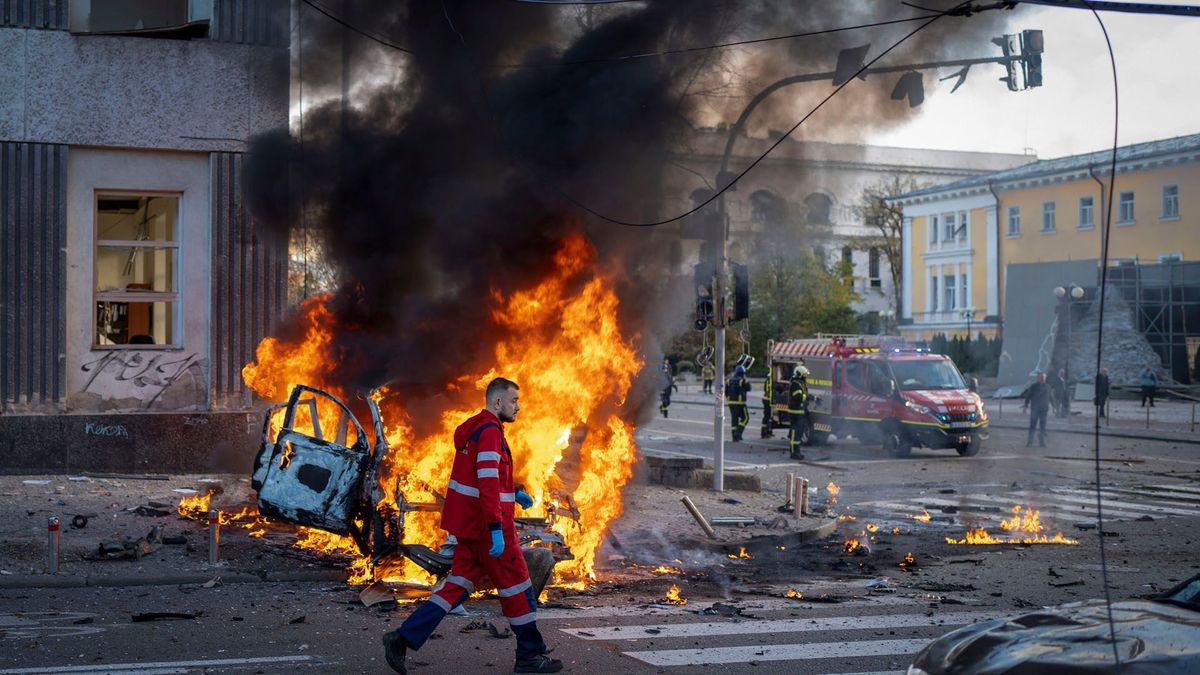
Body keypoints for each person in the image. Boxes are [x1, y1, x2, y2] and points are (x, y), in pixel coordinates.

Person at [382, 377, 561, 674]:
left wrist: (513, 492)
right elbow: (487, 482)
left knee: (456, 586)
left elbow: (486, 478)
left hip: (471, 529)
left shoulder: (476, 428)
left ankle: (402, 638)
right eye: (514, 400)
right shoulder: (490, 432)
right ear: (498, 402)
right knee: (519, 588)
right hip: (489, 531)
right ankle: (530, 655)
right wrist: (495, 529)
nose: (518, 407)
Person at [787, 365, 810, 460]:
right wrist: (810, 398)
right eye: (804, 375)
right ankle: (793, 453)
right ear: (799, 375)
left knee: (799, 434)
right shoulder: (795, 384)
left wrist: (814, 398)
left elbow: (804, 395)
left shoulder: (799, 383)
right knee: (795, 434)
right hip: (795, 412)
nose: (806, 377)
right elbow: (799, 397)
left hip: (800, 412)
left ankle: (797, 452)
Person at [1022, 372, 1050, 448]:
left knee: (1043, 426)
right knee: (1032, 426)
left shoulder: (1047, 386)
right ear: (1038, 378)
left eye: (1044, 377)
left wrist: (1054, 407)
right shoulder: (1034, 386)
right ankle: (1030, 442)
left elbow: (1050, 397)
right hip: (1035, 409)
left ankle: (1042, 442)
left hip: (1044, 409)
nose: (1042, 379)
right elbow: (1028, 396)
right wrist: (1025, 406)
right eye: (1041, 377)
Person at [726, 365, 750, 442]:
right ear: (743, 373)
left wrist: (728, 399)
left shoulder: (729, 380)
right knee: (745, 418)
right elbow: (749, 388)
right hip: (740, 403)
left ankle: (734, 437)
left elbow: (726, 392)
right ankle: (738, 432)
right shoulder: (743, 380)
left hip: (731, 403)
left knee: (734, 419)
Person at [760, 365, 775, 439]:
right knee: (767, 416)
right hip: (768, 399)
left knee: (768, 416)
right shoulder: (771, 379)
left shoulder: (768, 379)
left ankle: (768, 432)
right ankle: (764, 433)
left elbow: (765, 389)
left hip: (766, 399)